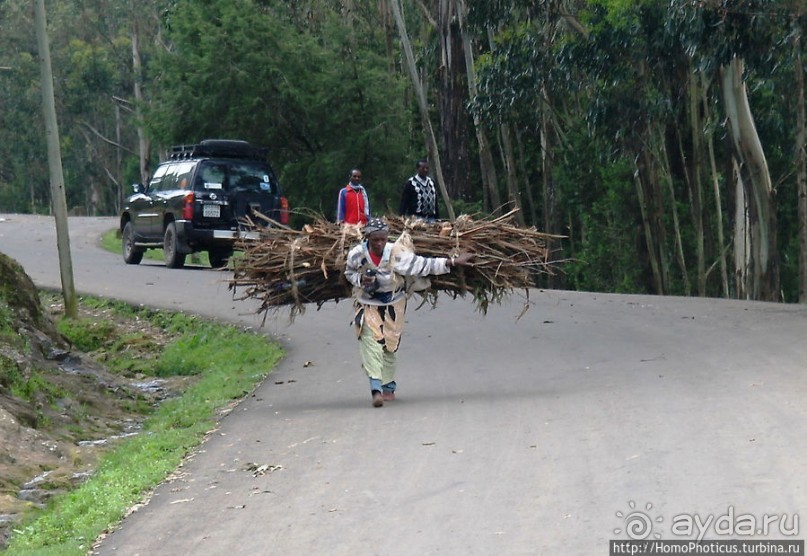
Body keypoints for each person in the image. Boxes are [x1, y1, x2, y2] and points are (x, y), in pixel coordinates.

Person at [344, 217, 474, 407]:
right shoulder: (356, 254)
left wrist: (452, 262)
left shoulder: (396, 254)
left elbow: (423, 265)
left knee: (389, 345)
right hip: (367, 303)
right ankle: (375, 389)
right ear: (368, 238)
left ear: (387, 237)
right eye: (375, 240)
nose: (379, 243)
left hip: (394, 303)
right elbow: (349, 273)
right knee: (370, 341)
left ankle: (388, 386)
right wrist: (360, 280)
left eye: (382, 239)